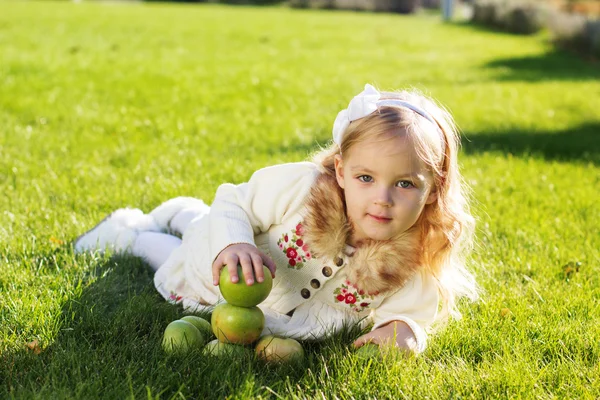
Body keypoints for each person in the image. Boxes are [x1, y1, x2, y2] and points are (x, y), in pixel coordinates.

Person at [74, 84, 478, 354]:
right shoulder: (303, 190)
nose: (383, 199)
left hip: (273, 328)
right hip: (220, 270)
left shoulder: (412, 267)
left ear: (433, 191)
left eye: (405, 183)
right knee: (179, 249)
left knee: (200, 220)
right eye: (366, 178)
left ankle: (184, 212)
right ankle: (133, 233)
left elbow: (408, 318)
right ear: (341, 171)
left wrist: (407, 334)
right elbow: (234, 203)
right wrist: (235, 243)